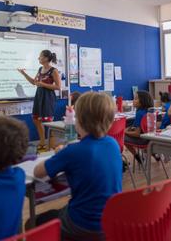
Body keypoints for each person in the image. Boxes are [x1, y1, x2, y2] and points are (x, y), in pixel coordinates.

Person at [33, 92, 122, 241]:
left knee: (36, 221)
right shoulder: (113, 144)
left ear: (79, 120)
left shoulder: (73, 151)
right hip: (110, 222)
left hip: (83, 225)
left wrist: (60, 154)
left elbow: (38, 172)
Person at [18, 50, 61, 152]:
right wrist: (24, 74)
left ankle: (51, 146)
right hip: (39, 96)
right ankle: (42, 143)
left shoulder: (53, 70)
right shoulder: (40, 69)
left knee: (48, 122)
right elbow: (34, 82)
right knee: (36, 119)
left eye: (40, 57)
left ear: (46, 58)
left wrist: (43, 85)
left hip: (48, 98)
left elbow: (58, 87)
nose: (38, 58)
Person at [124, 90, 153, 164]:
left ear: (142, 101)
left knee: (122, 137)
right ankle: (153, 154)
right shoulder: (149, 111)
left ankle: (137, 156)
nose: (133, 100)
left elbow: (137, 134)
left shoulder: (140, 113)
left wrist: (124, 131)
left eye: (136, 99)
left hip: (143, 140)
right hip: (150, 139)